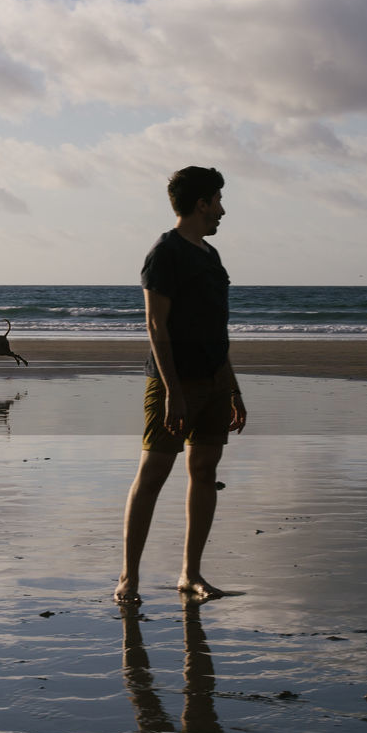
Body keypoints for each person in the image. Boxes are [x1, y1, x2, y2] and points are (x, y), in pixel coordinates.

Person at [114, 166, 246, 605]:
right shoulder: (165, 252)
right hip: (175, 383)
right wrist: (172, 390)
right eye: (218, 201)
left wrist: (233, 387)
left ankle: (190, 575)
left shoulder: (209, 255)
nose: (222, 211)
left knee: (204, 472)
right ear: (201, 203)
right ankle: (128, 579)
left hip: (214, 382)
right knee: (152, 475)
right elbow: (156, 324)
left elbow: (216, 329)